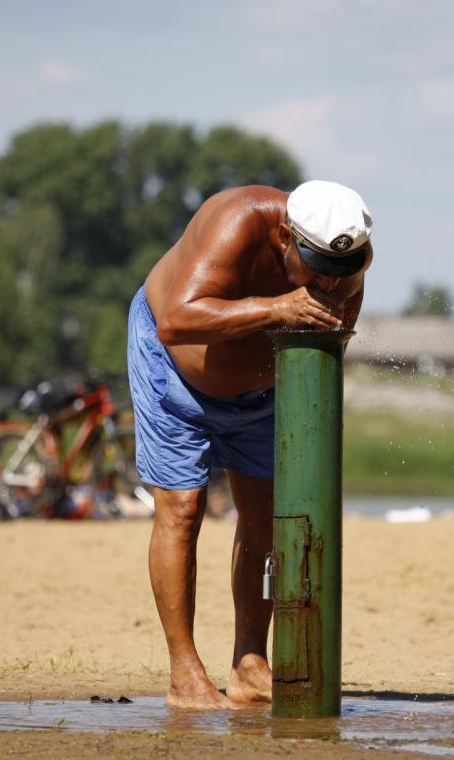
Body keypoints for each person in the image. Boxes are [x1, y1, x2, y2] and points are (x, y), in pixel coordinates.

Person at [128, 181, 372, 708]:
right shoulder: (236, 221)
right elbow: (177, 320)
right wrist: (280, 308)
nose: (329, 284)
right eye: (316, 268)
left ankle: (248, 663)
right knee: (183, 509)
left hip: (263, 395)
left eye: (342, 273)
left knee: (265, 517)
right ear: (286, 235)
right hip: (171, 371)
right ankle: (183, 673)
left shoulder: (345, 265)